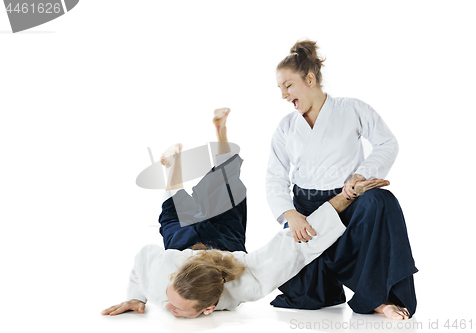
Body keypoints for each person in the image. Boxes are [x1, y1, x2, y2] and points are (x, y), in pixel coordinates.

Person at [101, 108, 390, 318]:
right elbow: (298, 246)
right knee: (227, 189)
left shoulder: (181, 272)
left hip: (186, 242)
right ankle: (212, 140)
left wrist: (345, 196)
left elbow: (298, 248)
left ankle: (174, 162)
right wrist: (135, 297)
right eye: (172, 302)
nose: (165, 305)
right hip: (222, 243)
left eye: (174, 306)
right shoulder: (181, 277)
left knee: (172, 215)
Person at [266, 39, 417, 320]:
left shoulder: (351, 109)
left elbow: (387, 144)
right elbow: (275, 174)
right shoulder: (286, 127)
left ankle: (379, 298)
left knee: (380, 201)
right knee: (308, 293)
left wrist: (361, 175)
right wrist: (290, 214)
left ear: (309, 79)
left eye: (288, 86)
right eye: (280, 89)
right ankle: (325, 286)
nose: (284, 95)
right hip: (309, 214)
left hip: (349, 204)